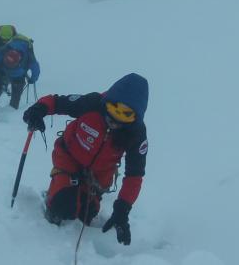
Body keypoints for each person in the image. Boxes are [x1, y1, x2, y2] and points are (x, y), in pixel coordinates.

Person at [21, 73, 149, 246]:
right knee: (63, 205)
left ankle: (77, 193)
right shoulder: (92, 103)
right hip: (69, 157)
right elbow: (58, 102)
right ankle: (55, 193)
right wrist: (39, 109)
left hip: (99, 175)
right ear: (107, 102)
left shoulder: (137, 135)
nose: (115, 119)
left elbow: (135, 176)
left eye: (125, 115)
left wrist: (122, 210)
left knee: (86, 215)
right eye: (113, 109)